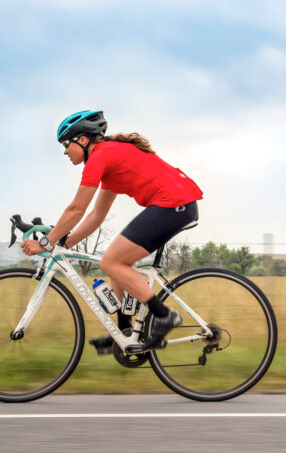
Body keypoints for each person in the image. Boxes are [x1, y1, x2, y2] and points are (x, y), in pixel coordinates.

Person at [21, 110, 203, 353]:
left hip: (173, 203)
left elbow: (76, 209)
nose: (65, 151)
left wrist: (45, 242)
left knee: (111, 262)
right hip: (175, 204)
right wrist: (64, 242)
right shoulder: (109, 160)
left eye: (67, 144)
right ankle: (124, 332)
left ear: (83, 140)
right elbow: (96, 216)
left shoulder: (100, 156)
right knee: (116, 261)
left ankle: (164, 316)